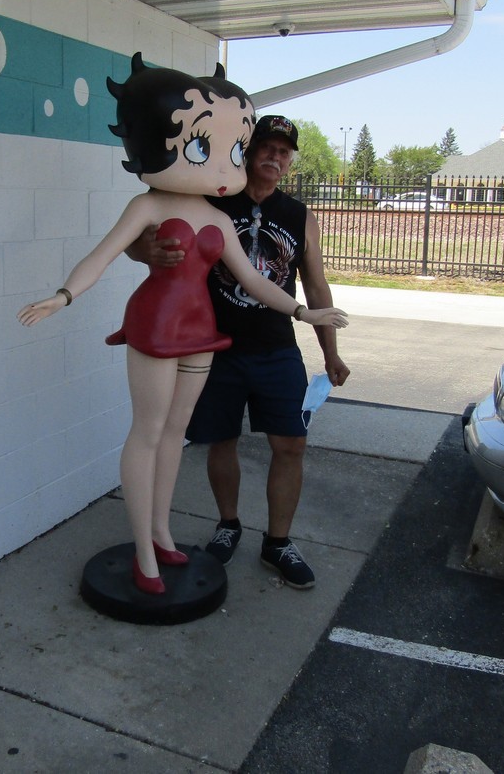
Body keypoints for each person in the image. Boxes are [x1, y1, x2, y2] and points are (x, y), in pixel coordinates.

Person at [18, 55, 346, 596]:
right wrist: (64, 295)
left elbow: (257, 280)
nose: (244, 159)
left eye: (234, 149)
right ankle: (144, 550)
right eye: (254, 148)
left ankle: (162, 532)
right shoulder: (148, 204)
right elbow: (107, 254)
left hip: (205, 334)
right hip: (156, 327)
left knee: (174, 434)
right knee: (149, 432)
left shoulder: (222, 215)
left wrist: (303, 313)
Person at [131, 114, 350, 590]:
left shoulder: (299, 216)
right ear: (248, 153)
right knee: (221, 440)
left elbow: (316, 286)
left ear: (290, 162)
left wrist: (330, 353)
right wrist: (147, 251)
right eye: (267, 147)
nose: (275, 157)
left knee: (291, 444)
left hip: (276, 349)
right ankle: (228, 525)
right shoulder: (210, 201)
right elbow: (140, 240)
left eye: (284, 152)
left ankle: (278, 543)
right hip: (217, 346)